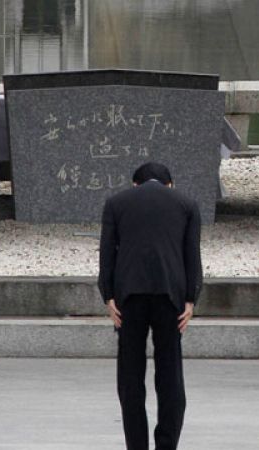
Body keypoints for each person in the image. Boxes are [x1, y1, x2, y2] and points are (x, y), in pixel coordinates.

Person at [98, 162, 203, 450]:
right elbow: (192, 256)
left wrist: (108, 296)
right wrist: (191, 299)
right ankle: (166, 444)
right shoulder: (187, 204)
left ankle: (137, 446)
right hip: (171, 297)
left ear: (135, 184)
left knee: (130, 378)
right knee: (170, 375)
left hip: (128, 298)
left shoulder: (116, 203)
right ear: (169, 184)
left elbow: (107, 254)